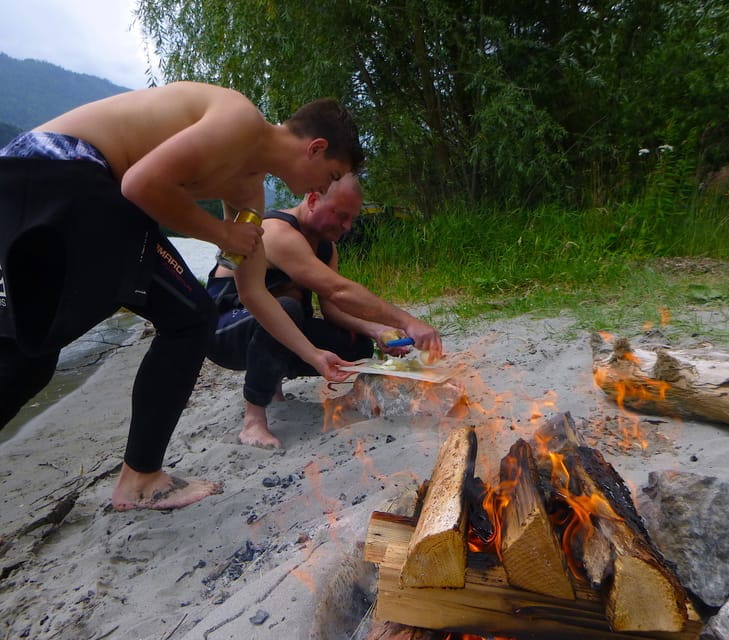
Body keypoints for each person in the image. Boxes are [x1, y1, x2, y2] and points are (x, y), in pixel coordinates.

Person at [0, 81, 364, 510]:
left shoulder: (247, 189)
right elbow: (141, 184)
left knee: (27, 359)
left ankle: (139, 477)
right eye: (334, 174)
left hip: (24, 175)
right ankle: (141, 478)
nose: (325, 186)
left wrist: (315, 354)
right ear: (316, 148)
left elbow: (252, 293)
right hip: (68, 169)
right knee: (190, 316)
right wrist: (221, 232)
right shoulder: (242, 121)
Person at [206, 173, 442, 448]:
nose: (347, 226)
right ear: (314, 200)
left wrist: (378, 330)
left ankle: (274, 388)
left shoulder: (326, 247)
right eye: (341, 216)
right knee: (287, 308)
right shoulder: (277, 231)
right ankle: (254, 420)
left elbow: (333, 309)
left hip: (273, 328)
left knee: (355, 343)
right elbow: (338, 289)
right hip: (221, 329)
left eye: (351, 219)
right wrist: (409, 321)